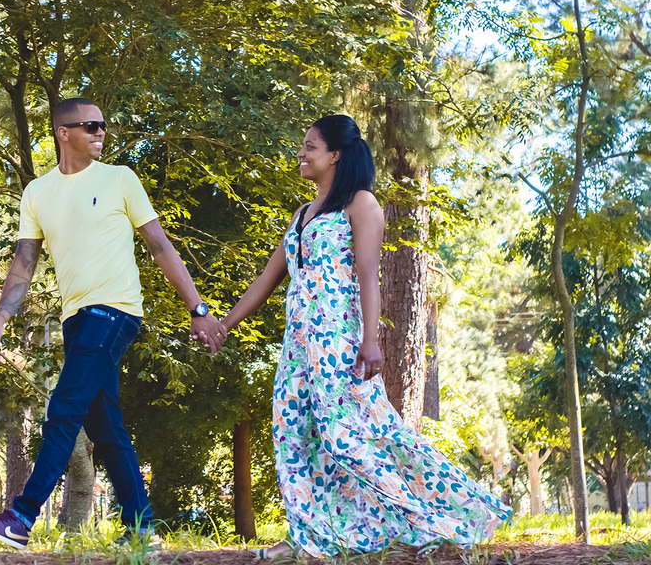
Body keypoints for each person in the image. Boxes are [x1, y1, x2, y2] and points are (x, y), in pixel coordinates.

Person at [217, 115, 510, 558]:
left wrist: (370, 341)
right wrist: (224, 325)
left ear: (335, 154)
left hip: (338, 336)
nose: (302, 153)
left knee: (345, 435)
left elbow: (370, 276)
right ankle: (310, 537)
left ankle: (431, 520)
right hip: (298, 342)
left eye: (311, 146)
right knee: (293, 431)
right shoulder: (302, 215)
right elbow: (267, 280)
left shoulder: (361, 204)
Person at [0, 97, 227, 549]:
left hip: (115, 310)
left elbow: (160, 245)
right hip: (76, 319)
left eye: (103, 125)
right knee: (106, 428)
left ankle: (21, 517)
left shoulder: (120, 179)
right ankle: (142, 530)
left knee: (64, 410)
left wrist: (198, 309)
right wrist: (1, 315)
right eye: (90, 126)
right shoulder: (37, 192)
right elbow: (24, 262)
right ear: (63, 132)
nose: (100, 133)